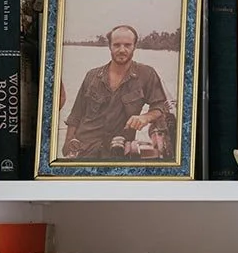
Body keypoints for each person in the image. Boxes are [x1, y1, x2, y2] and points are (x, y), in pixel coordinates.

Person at [61, 24, 174, 161]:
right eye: (117, 45)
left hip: (118, 150)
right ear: (109, 46)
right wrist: (67, 144)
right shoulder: (92, 76)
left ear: (134, 46)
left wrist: (145, 118)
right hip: (84, 148)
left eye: (127, 45)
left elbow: (161, 106)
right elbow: (76, 114)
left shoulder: (146, 74)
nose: (122, 50)